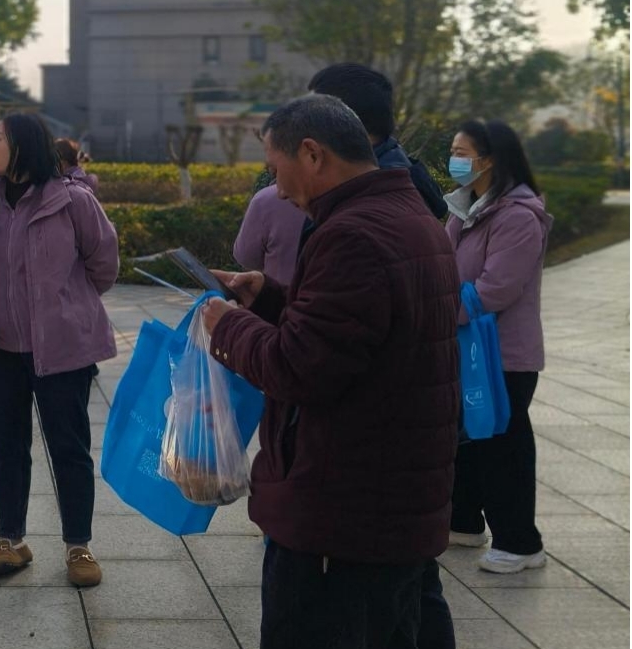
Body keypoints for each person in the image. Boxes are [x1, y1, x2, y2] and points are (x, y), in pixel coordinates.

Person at [200, 95, 460, 649]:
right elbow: (358, 335)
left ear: (312, 154)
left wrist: (228, 326)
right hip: (389, 497)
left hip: (342, 516)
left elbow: (297, 369)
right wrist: (270, 298)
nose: (276, 188)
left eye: (275, 168)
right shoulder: (408, 213)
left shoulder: (351, 235)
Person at [0, 113, 119, 588]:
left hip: (62, 350)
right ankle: (11, 540)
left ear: (23, 145)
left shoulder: (73, 201)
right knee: (7, 449)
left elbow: (103, 262)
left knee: (69, 448)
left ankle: (78, 545)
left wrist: (68, 305)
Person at [445, 120, 552, 574]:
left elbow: (496, 290)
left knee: (503, 447)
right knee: (467, 440)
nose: (453, 159)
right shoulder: (462, 209)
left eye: (461, 152)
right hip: (465, 347)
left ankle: (520, 543)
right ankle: (464, 522)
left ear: (489, 160)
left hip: (504, 355)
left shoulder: (518, 217)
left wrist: (436, 310)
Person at [233, 63, 447, 285]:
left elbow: (328, 303)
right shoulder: (407, 187)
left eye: (310, 113)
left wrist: (237, 311)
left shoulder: (352, 227)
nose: (282, 192)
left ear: (343, 121)